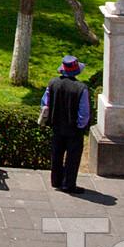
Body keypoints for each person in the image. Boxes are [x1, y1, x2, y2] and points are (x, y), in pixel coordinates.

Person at [41, 55, 92, 192]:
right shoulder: (82, 88)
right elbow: (84, 113)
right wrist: (80, 127)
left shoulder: (53, 83)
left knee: (56, 154)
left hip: (57, 126)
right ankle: (68, 184)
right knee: (72, 158)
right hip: (73, 129)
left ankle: (56, 181)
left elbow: (45, 103)